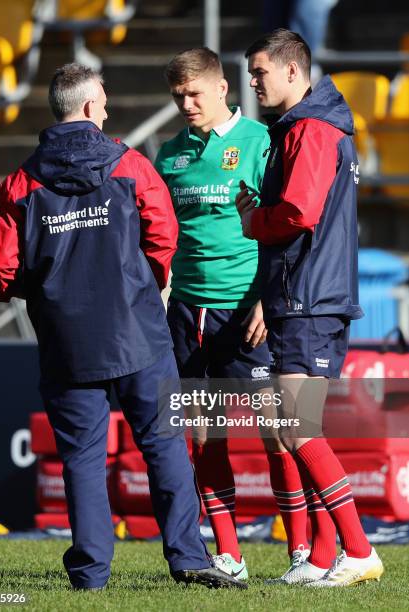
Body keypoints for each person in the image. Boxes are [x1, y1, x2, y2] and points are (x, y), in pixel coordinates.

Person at [0, 63, 246, 591]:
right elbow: (162, 236)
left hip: (67, 343)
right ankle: (189, 560)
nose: (105, 109)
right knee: (165, 444)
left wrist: (47, 293)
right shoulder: (130, 165)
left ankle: (91, 575)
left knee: (82, 459)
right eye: (102, 101)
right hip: (140, 335)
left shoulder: (21, 182)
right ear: (85, 108)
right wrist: (139, 288)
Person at [235, 29, 384, 587]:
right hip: (308, 293)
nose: (254, 83)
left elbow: (299, 212)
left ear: (292, 72)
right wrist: (265, 209)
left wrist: (257, 221)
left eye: (259, 72)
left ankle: (360, 548)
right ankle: (323, 556)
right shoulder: (309, 127)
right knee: (296, 424)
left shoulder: (313, 130)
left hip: (308, 297)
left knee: (296, 428)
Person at [155, 47, 271, 581]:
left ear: (223, 89)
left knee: (286, 430)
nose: (186, 104)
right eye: (178, 96)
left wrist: (270, 297)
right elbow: (159, 234)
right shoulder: (168, 153)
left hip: (246, 307)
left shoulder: (260, 142)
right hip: (186, 311)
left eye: (194, 93)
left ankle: (305, 554)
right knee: (202, 433)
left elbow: (287, 229)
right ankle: (229, 553)